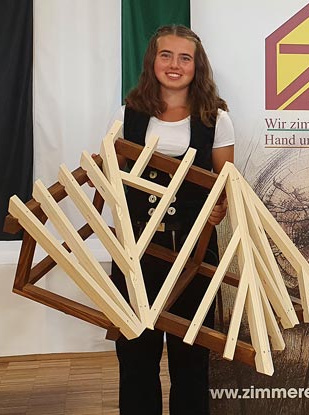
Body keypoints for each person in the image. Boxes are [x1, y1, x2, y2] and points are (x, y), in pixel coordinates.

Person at [108, 25, 235, 415]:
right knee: (135, 355)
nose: (174, 65)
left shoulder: (216, 119)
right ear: (153, 61)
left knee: (191, 356)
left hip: (194, 254)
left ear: (197, 66)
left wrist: (219, 207)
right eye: (166, 55)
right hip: (136, 251)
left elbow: (225, 185)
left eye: (185, 58)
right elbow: (113, 179)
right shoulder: (127, 115)